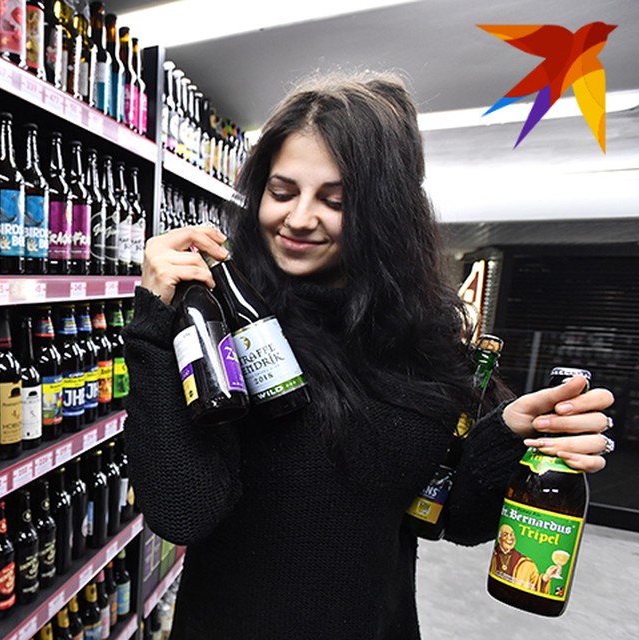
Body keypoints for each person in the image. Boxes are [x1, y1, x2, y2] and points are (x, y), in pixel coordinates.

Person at [121, 72, 615, 639]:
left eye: (335, 200)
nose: (299, 218)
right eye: (281, 192)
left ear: (385, 211)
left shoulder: (426, 334)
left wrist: (507, 436)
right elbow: (183, 512)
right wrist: (152, 328)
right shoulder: (223, 317)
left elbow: (455, 519)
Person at [490, 524, 560, 593]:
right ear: (499, 539)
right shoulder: (495, 554)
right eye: (505, 535)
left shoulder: (526, 563)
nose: (510, 538)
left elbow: (534, 584)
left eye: (511, 534)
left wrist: (546, 577)